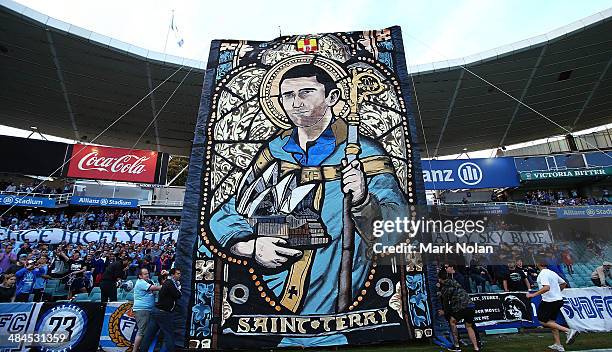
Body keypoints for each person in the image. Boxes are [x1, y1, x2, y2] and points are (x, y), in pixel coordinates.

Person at [209, 63, 407, 345]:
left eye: (306, 92)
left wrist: (363, 199)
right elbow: (228, 212)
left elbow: (397, 228)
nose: (296, 103)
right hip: (272, 302)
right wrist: (250, 246)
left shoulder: (365, 154)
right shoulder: (272, 152)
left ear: (333, 98)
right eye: (287, 95)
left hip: (340, 308)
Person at [527, 262, 578, 351]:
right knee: (551, 322)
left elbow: (546, 287)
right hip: (558, 300)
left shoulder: (542, 274)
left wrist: (533, 295)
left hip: (549, 301)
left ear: (538, 264)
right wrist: (557, 292)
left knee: (542, 321)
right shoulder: (552, 272)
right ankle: (558, 344)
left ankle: (569, 331)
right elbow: (564, 283)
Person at [139, 268, 182, 352]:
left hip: (156, 311)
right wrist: (179, 287)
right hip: (163, 313)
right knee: (169, 335)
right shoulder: (170, 283)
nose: (179, 275)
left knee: (149, 335)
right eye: (178, 273)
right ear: (172, 275)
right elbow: (178, 295)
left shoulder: (169, 283)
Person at [438, 269, 480, 352]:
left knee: (452, 322)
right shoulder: (454, 281)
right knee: (469, 326)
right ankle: (476, 348)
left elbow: (446, 304)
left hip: (461, 307)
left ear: (440, 279)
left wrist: (444, 312)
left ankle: (457, 346)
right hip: (471, 305)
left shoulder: (445, 289)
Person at [132, 268, 162, 352]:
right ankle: (134, 350)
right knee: (142, 331)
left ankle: (143, 348)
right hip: (142, 309)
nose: (147, 275)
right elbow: (155, 288)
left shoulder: (149, 281)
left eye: (147, 273)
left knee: (145, 331)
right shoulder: (141, 282)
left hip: (148, 309)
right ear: (140, 276)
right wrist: (166, 286)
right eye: (145, 274)